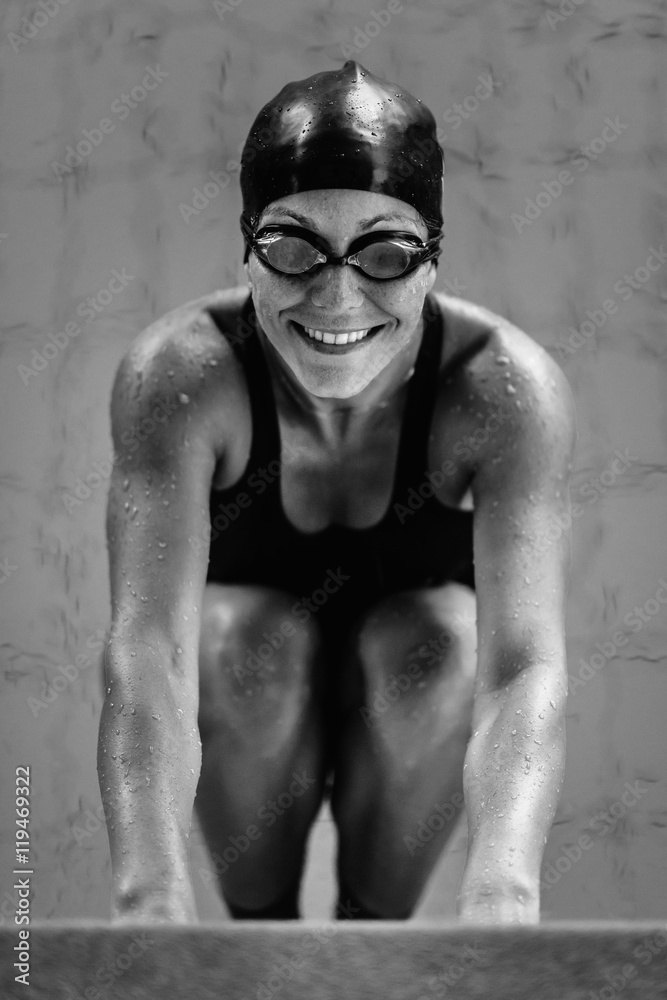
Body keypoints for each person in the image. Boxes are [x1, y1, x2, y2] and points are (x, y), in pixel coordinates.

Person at [99, 61, 575, 924]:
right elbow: (150, 660)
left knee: (440, 643)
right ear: (246, 250)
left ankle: (369, 941)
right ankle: (264, 938)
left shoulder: (499, 389)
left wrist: (503, 895)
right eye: (292, 246)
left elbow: (521, 670)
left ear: (431, 261)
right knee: (241, 638)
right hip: (248, 715)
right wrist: (150, 900)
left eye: (384, 252)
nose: (336, 294)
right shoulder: (185, 376)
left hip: (406, 722)